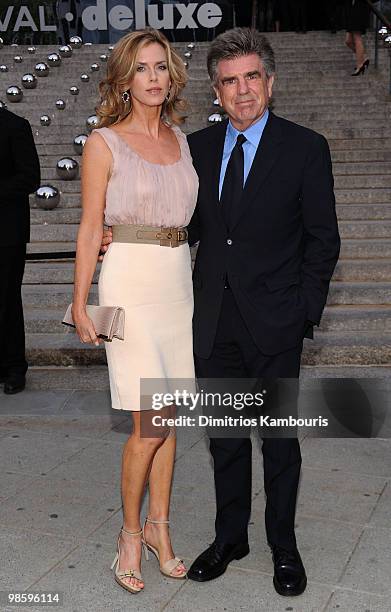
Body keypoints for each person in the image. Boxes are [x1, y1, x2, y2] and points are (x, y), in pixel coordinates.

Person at [100, 27, 340, 597]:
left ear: (270, 82)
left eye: (252, 77)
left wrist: (304, 311)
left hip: (277, 320)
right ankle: (231, 537)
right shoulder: (197, 149)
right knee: (226, 440)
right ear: (215, 89)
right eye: (230, 81)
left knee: (279, 442)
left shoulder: (305, 147)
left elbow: (322, 240)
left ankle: (284, 546)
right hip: (212, 321)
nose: (243, 91)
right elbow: (184, 226)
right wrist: (124, 237)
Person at [72, 28, 198, 594]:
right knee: (150, 422)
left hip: (177, 282)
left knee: (169, 420)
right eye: (142, 68)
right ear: (124, 79)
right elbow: (90, 227)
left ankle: (160, 529)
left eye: (161, 67)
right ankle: (129, 533)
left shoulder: (181, 138)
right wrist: (80, 302)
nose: (153, 77)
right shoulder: (103, 141)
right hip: (129, 280)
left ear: (171, 76)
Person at [0, 108, 40, 394]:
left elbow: (30, 178)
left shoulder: (15, 125)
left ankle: (14, 367)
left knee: (7, 299)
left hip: (6, 233)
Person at [344, 0, 371, 75]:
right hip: (352, 12)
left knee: (357, 38)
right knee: (348, 41)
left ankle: (360, 65)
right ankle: (364, 58)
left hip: (359, 12)